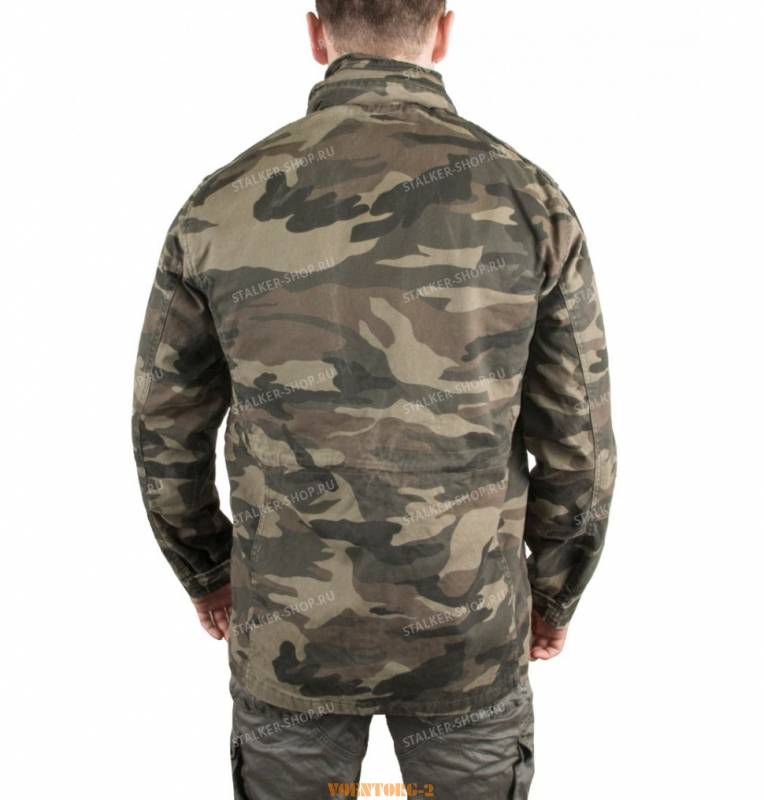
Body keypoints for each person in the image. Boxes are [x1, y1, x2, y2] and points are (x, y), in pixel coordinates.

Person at [131, 2, 617, 797]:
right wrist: (554, 594)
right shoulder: (530, 200)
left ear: (315, 32)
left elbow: (163, 427)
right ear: (444, 31)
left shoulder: (220, 205)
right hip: (469, 637)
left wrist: (208, 568)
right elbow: (581, 441)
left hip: (291, 630)